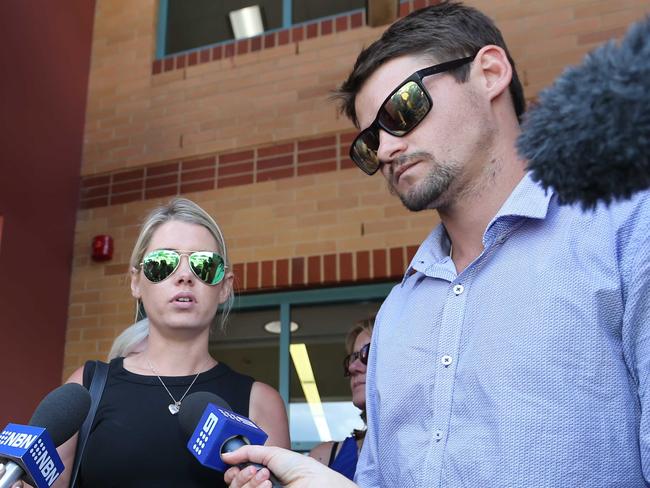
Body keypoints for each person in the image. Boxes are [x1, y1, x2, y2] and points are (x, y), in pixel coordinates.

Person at [227, 1, 650, 487]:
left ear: (489, 72)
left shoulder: (626, 229)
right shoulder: (397, 314)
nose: (385, 150)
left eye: (402, 110)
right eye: (369, 142)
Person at [53, 197, 290, 487]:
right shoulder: (86, 388)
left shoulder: (261, 402)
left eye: (204, 264)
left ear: (225, 287)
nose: (184, 276)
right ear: (136, 282)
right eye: (163, 263)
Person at [308, 318, 373, 480]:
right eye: (353, 357)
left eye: (369, 353)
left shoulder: (429, 453)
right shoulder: (322, 460)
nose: (353, 367)